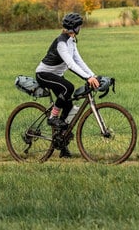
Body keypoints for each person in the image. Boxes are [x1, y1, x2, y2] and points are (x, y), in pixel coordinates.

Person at [35, 12, 100, 158]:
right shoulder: (61, 43)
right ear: (75, 28)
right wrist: (87, 77)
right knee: (68, 88)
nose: (80, 28)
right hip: (43, 74)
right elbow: (70, 65)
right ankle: (52, 117)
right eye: (79, 26)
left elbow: (79, 60)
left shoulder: (72, 41)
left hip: (56, 75)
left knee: (69, 108)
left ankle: (62, 146)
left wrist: (92, 75)